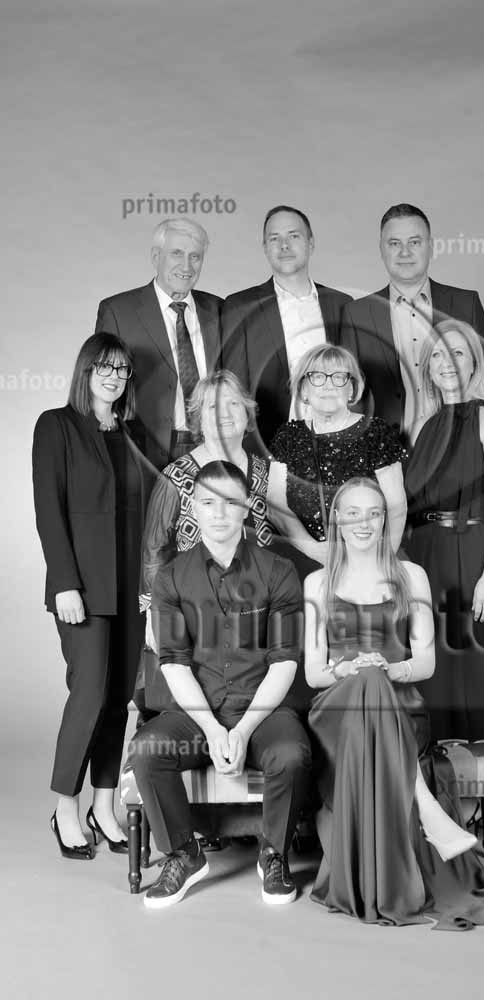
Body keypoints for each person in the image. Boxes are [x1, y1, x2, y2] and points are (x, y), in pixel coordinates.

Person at [304, 478, 484, 929]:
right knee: (365, 677)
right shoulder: (317, 582)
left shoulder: (412, 577)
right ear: (337, 521)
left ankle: (420, 807)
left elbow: (425, 662)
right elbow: (314, 674)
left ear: (384, 520)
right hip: (337, 711)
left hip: (401, 705)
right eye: (353, 513)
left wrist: (388, 670)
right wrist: (351, 670)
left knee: (374, 678)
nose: (364, 522)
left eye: (373, 513)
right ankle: (426, 806)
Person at [131, 461, 312, 908]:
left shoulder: (279, 571)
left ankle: (274, 853)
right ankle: (184, 854)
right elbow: (174, 664)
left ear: (247, 507)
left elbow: (284, 662)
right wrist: (212, 729)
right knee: (148, 750)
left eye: (229, 502)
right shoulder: (170, 577)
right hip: (197, 712)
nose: (218, 513)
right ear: (193, 507)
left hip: (264, 710)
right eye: (208, 502)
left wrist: (244, 730)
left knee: (291, 755)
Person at [32, 333, 150, 859]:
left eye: (122, 370)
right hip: (82, 586)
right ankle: (66, 807)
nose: (114, 377)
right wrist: (64, 582)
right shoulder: (56, 426)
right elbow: (48, 510)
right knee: (90, 694)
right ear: (85, 371)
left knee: (120, 695)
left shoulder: (134, 434)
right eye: (104, 367)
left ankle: (105, 805)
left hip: (131, 588)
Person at [404, 319, 484, 783]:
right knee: (437, 674)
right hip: (427, 557)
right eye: (437, 354)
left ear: (473, 362)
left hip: (473, 552)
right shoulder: (423, 426)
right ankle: (447, 790)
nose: (447, 363)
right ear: (427, 367)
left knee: (481, 672)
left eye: (457, 353)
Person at [139, 369, 273, 709]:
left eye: (233, 404)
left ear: (247, 412)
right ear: (199, 418)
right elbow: (155, 549)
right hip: (194, 611)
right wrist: (155, 612)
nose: (224, 414)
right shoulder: (175, 476)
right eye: (213, 407)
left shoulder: (267, 472)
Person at [340, 203, 484, 444]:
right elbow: (350, 396)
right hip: (385, 453)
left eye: (414, 242)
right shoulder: (356, 314)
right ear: (381, 250)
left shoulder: (467, 305)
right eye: (394, 243)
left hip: (458, 446)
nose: (405, 252)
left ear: (430, 247)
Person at [267, 344, 408, 576]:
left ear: (351, 389)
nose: (328, 385)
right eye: (317, 376)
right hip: (305, 563)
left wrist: (381, 564)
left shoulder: (376, 432)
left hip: (372, 560)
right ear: (303, 389)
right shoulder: (288, 437)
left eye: (339, 377)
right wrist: (314, 550)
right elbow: (276, 506)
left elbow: (396, 506)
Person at [96, 218, 224, 469]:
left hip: (213, 449)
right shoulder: (118, 312)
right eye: (177, 254)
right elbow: (101, 389)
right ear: (156, 257)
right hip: (144, 452)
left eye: (195, 257)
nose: (186, 266)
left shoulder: (220, 309)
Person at [222, 205, 352, 451]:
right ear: (265, 248)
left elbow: (355, 379)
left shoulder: (342, 304)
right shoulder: (240, 307)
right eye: (274, 238)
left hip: (336, 443)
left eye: (294, 236)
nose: (284, 245)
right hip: (266, 447)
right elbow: (232, 389)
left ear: (311, 243)